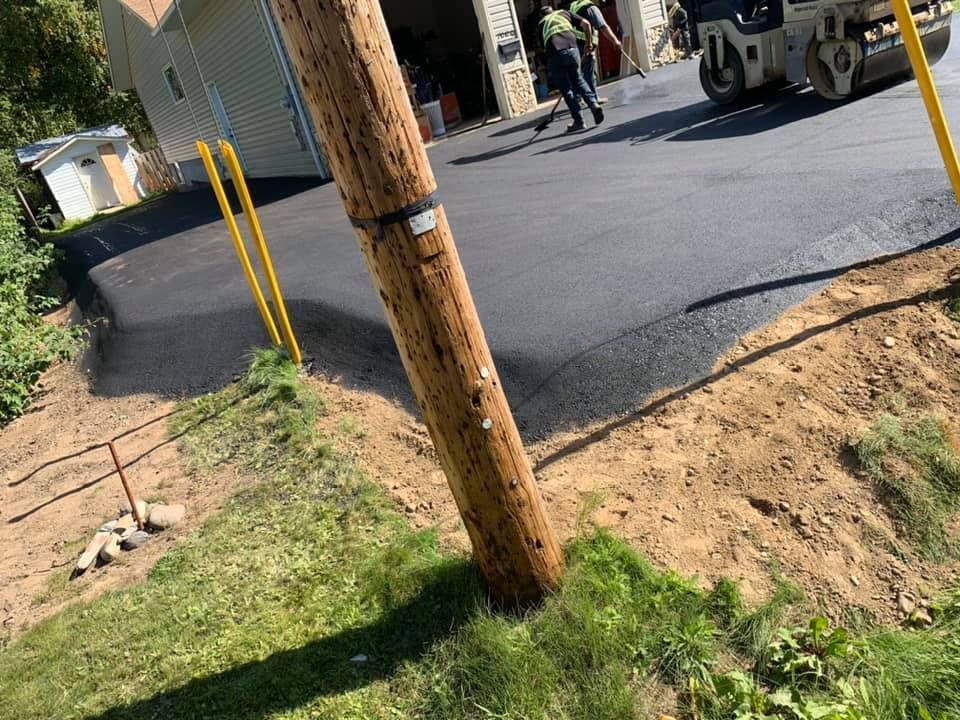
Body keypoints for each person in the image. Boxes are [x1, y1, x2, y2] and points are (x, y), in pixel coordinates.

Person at [538, 6, 604, 132]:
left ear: (542, 16)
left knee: (566, 88)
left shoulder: (542, 24)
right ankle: (594, 104)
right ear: (553, 11)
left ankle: (579, 121)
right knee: (579, 80)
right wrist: (589, 43)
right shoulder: (564, 13)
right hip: (573, 50)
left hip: (556, 53)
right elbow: (586, 24)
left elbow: (544, 47)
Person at [565, 0, 622, 101]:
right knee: (589, 72)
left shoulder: (573, 6)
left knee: (578, 73)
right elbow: (603, 27)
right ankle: (593, 98)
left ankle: (577, 99)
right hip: (585, 44)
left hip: (573, 44)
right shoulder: (591, 8)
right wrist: (615, 41)